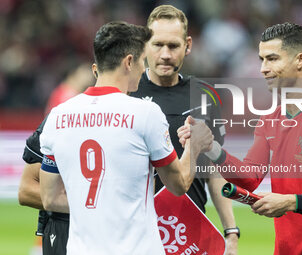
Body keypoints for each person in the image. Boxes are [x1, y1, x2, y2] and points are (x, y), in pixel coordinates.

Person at [38, 21, 213, 255]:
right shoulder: (145, 113)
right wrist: (194, 145)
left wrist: (95, 207)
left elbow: (49, 198)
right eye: (142, 61)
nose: (143, 69)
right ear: (129, 62)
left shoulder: (58, 116)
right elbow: (179, 184)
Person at [178, 22, 302, 255]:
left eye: (272, 59)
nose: (263, 68)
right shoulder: (268, 120)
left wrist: (291, 202)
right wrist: (210, 147)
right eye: (262, 59)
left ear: (300, 60)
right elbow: (251, 177)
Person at [129, 5, 238, 253]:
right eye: (157, 45)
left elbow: (213, 170)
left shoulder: (203, 95)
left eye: (173, 46)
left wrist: (231, 232)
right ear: (145, 44)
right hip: (137, 235)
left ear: (187, 45)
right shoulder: (127, 92)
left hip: (190, 236)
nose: (165, 54)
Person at [18, 61, 93, 255]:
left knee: (49, 206)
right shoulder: (68, 97)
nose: (88, 76)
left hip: (51, 154)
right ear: (74, 73)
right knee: (52, 202)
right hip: (56, 156)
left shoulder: (61, 93)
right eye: (83, 71)